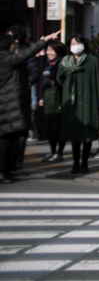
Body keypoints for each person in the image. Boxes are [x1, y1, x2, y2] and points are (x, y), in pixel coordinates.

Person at [1, 27, 58, 182]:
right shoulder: (6, 58)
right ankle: (5, 171)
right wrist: (44, 41)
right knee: (8, 139)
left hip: (6, 104)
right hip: (8, 105)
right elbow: (27, 53)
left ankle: (8, 169)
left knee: (7, 138)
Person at [57, 34, 99, 174]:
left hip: (88, 102)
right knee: (74, 135)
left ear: (83, 44)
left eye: (77, 43)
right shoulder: (65, 62)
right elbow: (59, 79)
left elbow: (98, 82)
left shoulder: (92, 61)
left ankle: (85, 163)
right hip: (71, 104)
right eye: (72, 43)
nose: (75, 46)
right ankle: (76, 163)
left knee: (87, 134)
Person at [35, 40, 65, 162]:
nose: (49, 53)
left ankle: (59, 153)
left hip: (59, 99)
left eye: (51, 50)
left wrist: (53, 81)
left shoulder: (62, 63)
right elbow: (41, 81)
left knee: (58, 128)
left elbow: (61, 81)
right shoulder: (46, 63)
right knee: (49, 128)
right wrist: (41, 97)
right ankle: (52, 151)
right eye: (48, 50)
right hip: (47, 99)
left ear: (58, 51)